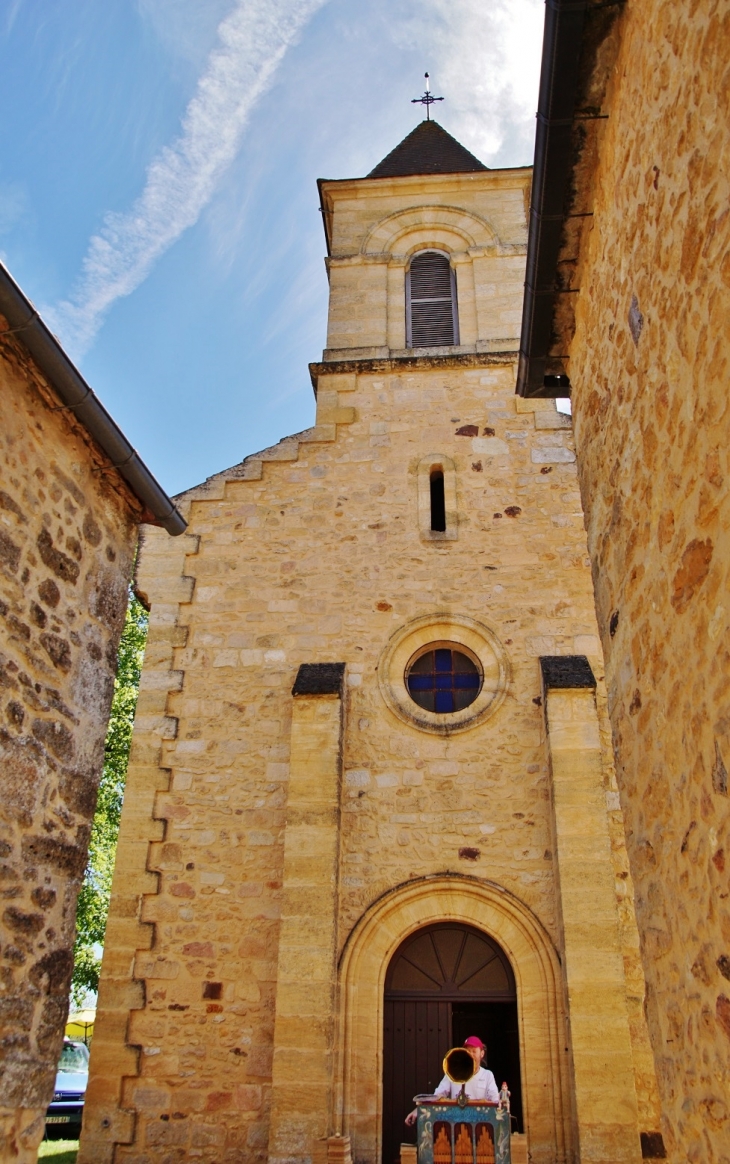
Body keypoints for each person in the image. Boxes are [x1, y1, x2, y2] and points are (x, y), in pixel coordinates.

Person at [404, 1036, 499, 1126]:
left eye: (474, 1051)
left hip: (480, 1123)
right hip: (455, 1123)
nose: (471, 1054)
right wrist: (418, 1110)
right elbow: (437, 1096)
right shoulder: (453, 1073)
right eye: (468, 1051)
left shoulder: (487, 1075)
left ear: (482, 1054)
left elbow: (495, 1101)